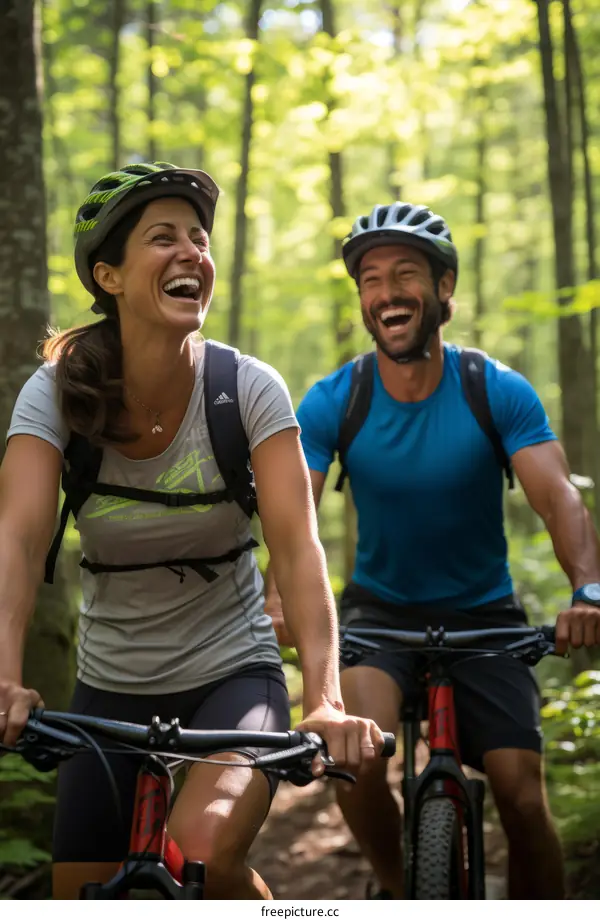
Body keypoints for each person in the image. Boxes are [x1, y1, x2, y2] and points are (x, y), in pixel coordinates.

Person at [0, 161, 384, 900]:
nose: (191, 253)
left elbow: (299, 551)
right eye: (163, 238)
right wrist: (7, 677)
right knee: (76, 895)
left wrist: (325, 698)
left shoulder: (245, 389)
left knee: (201, 850)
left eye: (199, 239)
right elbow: (17, 540)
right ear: (109, 277)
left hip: (232, 674)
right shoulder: (55, 393)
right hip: (108, 685)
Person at [265, 200, 600, 899]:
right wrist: (277, 597)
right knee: (350, 762)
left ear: (443, 290)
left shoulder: (495, 391)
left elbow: (557, 497)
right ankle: (398, 888)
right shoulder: (337, 399)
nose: (386, 292)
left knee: (521, 794)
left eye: (406, 274)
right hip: (378, 616)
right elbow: (292, 514)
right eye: (370, 280)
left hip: (486, 615)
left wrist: (588, 589)